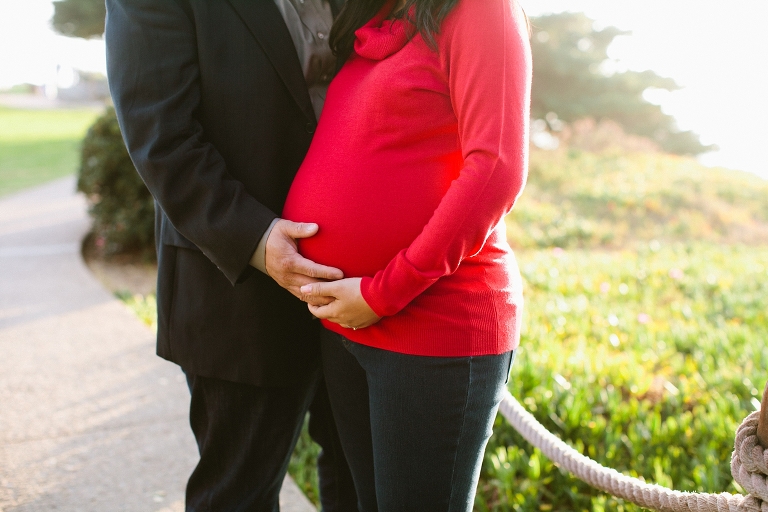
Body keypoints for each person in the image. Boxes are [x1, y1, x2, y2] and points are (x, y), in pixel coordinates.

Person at [104, 0, 357, 510]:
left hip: (360, 284)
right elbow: (161, 137)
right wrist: (257, 241)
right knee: (238, 494)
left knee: (360, 489)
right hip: (235, 288)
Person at [282, 0, 532, 509]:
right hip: (347, 325)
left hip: (434, 327)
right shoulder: (376, 24)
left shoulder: (482, 11)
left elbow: (497, 168)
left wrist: (383, 291)